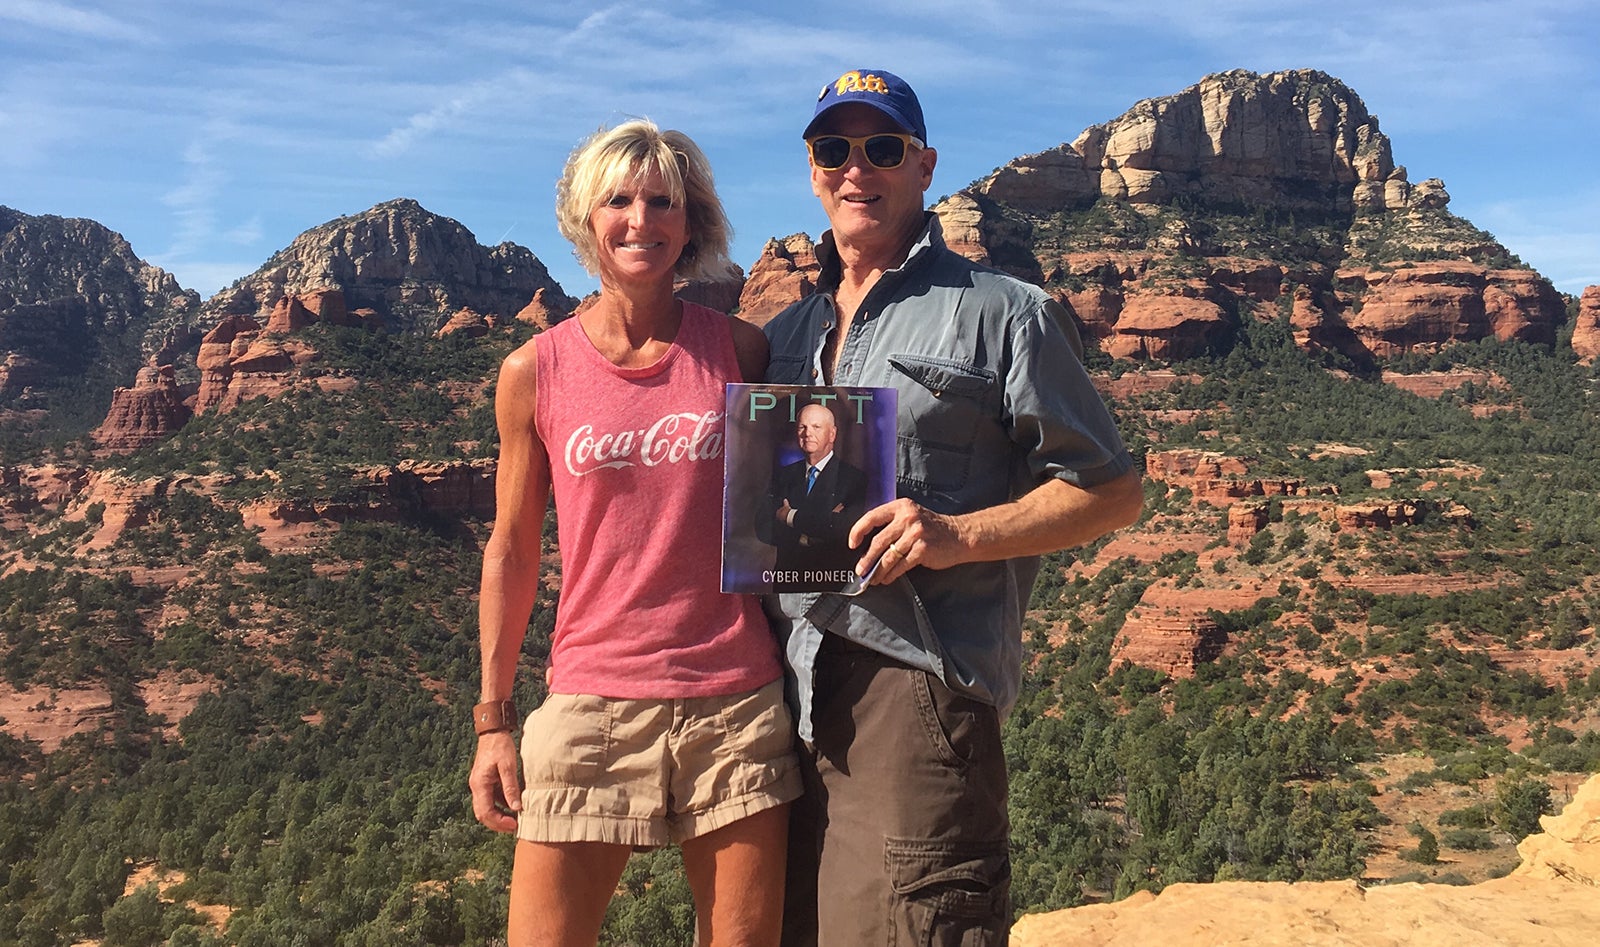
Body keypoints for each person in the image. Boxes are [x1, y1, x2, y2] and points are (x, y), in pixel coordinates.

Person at [761, 68, 1145, 944]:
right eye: (835, 149)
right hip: (783, 687)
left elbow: (1113, 490)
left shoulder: (1006, 314)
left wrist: (955, 534)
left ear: (924, 165)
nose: (857, 169)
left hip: (915, 688)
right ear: (813, 168)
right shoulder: (783, 335)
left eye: (883, 148)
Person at [468, 119, 800, 947]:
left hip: (734, 701)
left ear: (692, 223)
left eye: (663, 201)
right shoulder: (533, 370)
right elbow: (510, 548)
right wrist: (494, 720)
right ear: (587, 218)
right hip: (590, 702)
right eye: (617, 199)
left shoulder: (742, 351)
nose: (639, 219)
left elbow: (788, 508)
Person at [759, 402, 868, 589]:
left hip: (835, 585)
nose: (807, 433)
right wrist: (820, 525)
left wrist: (789, 516)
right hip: (786, 584)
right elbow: (762, 526)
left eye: (816, 427)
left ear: (832, 434)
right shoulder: (783, 475)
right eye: (802, 427)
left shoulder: (854, 478)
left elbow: (843, 530)